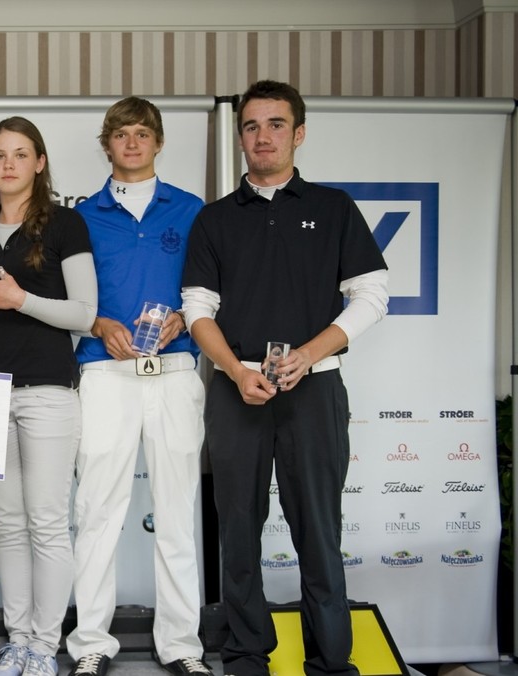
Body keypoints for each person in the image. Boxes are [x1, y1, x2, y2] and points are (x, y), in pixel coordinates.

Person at [181, 80, 388, 676]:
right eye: (251, 126)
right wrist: (233, 371)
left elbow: (372, 296)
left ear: (297, 133)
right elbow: (198, 307)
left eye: (275, 124)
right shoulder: (215, 219)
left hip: (314, 387)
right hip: (236, 389)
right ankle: (247, 656)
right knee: (238, 531)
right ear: (240, 136)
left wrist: (308, 352)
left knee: (318, 530)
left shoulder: (333, 207)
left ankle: (330, 660)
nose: (263, 136)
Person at [65, 97, 211, 676]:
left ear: (158, 142)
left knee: (177, 513)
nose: (132, 142)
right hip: (104, 371)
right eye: (121, 134)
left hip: (175, 370)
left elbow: (208, 292)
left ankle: (182, 647)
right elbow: (77, 301)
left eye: (142, 133)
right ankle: (91, 644)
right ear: (107, 144)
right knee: (97, 511)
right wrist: (98, 322)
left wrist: (185, 316)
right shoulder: (82, 216)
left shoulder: (193, 211)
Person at [0, 117, 96, 676]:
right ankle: (17, 641)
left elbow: (85, 315)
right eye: (0, 155)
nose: (10, 164)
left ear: (40, 163)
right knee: (8, 524)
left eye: (21, 154)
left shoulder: (65, 225)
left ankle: (45, 646)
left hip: (47, 390)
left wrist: (20, 298)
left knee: (46, 522)